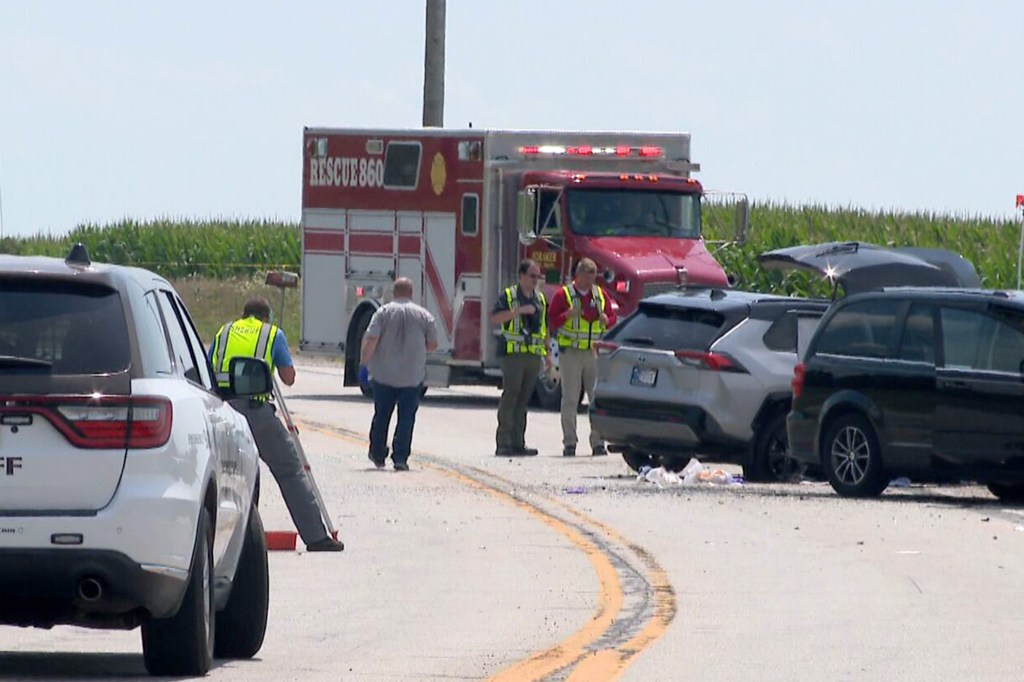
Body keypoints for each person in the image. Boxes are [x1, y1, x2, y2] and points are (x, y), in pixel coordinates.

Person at [210, 297, 343, 552]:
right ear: (266, 317)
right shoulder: (272, 334)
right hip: (257, 413)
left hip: (224, 412)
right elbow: (288, 378)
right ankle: (316, 537)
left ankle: (221, 539)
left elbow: (207, 368)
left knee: (221, 477)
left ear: (243, 314)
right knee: (290, 471)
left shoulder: (223, 332)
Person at [360, 277, 438, 471]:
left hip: (384, 375)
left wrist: (364, 365)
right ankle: (400, 458)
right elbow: (433, 345)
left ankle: (377, 454)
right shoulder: (424, 316)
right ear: (411, 293)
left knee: (382, 415)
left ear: (394, 292)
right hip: (412, 377)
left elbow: (371, 340)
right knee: (406, 419)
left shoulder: (383, 313)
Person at [548, 258, 617, 457]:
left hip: (593, 353)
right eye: (586, 278)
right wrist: (568, 314)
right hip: (571, 353)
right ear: (577, 276)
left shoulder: (600, 295)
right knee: (570, 399)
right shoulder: (564, 295)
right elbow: (552, 321)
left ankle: (598, 443)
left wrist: (607, 319)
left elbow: (612, 319)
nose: (589, 283)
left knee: (595, 398)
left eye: (592, 278)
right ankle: (570, 442)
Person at [491, 259, 552, 456]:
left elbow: (545, 328)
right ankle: (504, 443)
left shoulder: (540, 299)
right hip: (512, 354)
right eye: (532, 276)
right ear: (521, 276)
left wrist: (548, 353)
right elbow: (494, 318)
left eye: (538, 276)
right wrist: (518, 311)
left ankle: (518, 442)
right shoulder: (509, 296)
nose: (535, 280)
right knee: (511, 396)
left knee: (524, 400)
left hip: (533, 355)